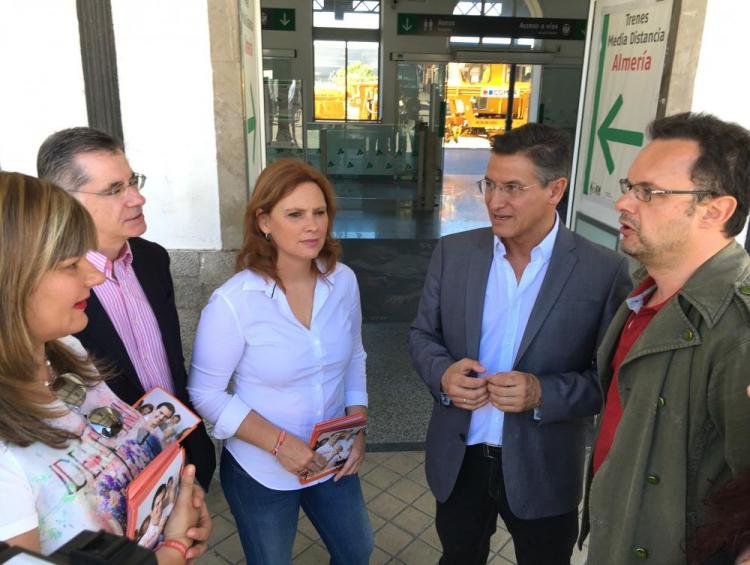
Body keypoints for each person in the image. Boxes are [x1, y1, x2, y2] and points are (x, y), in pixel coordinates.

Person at [409, 123, 631, 565]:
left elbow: (610, 381)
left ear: (556, 190)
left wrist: (542, 392)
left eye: (512, 187)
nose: (494, 201)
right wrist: (443, 373)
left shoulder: (602, 271)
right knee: (458, 557)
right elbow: (421, 335)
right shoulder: (454, 253)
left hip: (544, 465)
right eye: (489, 184)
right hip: (461, 456)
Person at [0, 172, 210, 561]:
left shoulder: (68, 351)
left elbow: (120, 449)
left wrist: (178, 500)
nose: (96, 276)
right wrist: (174, 551)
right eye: (70, 264)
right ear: (10, 279)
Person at [582, 112, 750, 564]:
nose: (623, 203)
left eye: (649, 193)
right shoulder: (643, 292)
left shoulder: (739, 330)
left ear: (715, 210)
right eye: (629, 186)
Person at [188, 158, 373, 565]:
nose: (312, 225)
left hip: (330, 455)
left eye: (319, 212)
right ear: (264, 222)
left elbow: (355, 355)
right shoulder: (234, 302)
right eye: (295, 214)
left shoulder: (342, 280)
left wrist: (356, 426)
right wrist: (279, 444)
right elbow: (205, 392)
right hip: (261, 469)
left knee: (357, 550)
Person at [36, 127, 216, 491]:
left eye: (133, 182)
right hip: (112, 480)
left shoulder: (152, 259)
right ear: (64, 201)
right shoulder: (47, 292)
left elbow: (169, 362)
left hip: (184, 452)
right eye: (115, 190)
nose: (138, 199)